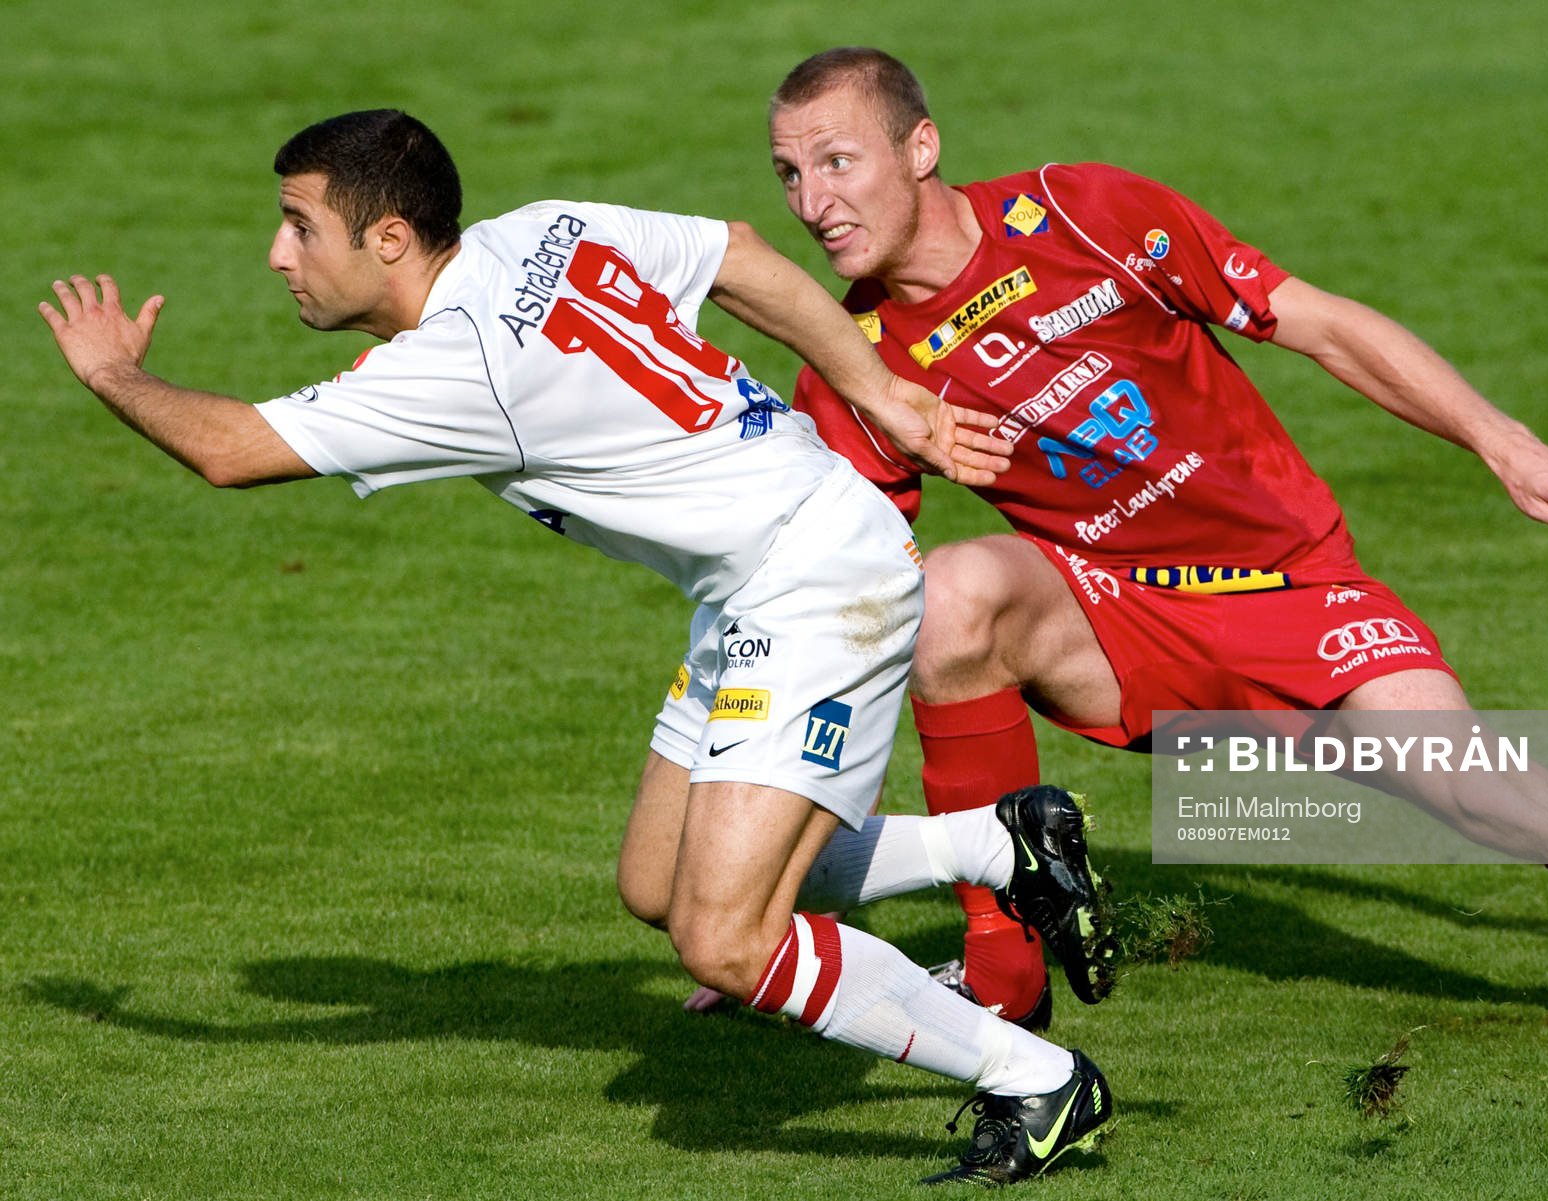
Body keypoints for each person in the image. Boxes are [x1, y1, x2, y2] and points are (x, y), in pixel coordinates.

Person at [756, 48, 1548, 1062]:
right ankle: (1005, 969)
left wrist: (1507, 444)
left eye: (838, 162)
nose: (815, 202)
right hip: (1118, 620)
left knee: (1486, 790)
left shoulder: (1081, 212)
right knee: (948, 597)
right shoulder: (856, 363)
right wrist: (750, 906)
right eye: (790, 175)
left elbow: (1312, 321)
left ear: (921, 148)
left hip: (1291, 584)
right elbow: (852, 608)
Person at [39, 108, 1119, 1185]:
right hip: (758, 577)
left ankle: (1038, 1079)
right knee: (659, 883)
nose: (279, 255)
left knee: (725, 939)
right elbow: (741, 257)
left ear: (388, 239)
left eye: (299, 226)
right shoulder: (543, 227)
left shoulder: (456, 368)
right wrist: (878, 391)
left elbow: (232, 451)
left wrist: (109, 374)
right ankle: (999, 845)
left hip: (815, 584)